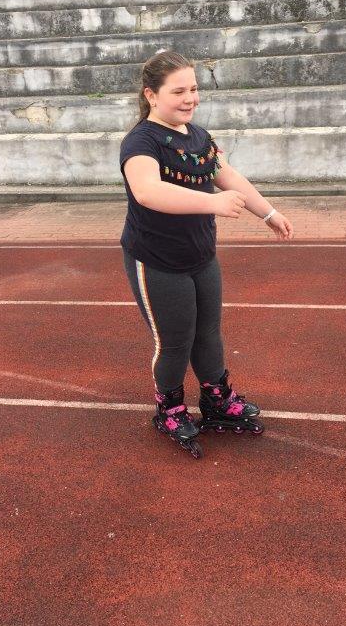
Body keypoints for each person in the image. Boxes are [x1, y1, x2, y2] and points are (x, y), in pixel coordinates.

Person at [120, 50, 294, 458]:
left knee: (209, 333)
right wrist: (212, 203)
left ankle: (216, 399)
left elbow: (227, 176)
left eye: (194, 89)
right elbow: (148, 191)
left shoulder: (198, 136)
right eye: (178, 91)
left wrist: (268, 212)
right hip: (157, 260)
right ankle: (169, 409)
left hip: (201, 256)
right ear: (151, 95)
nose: (190, 98)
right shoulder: (141, 142)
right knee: (175, 342)